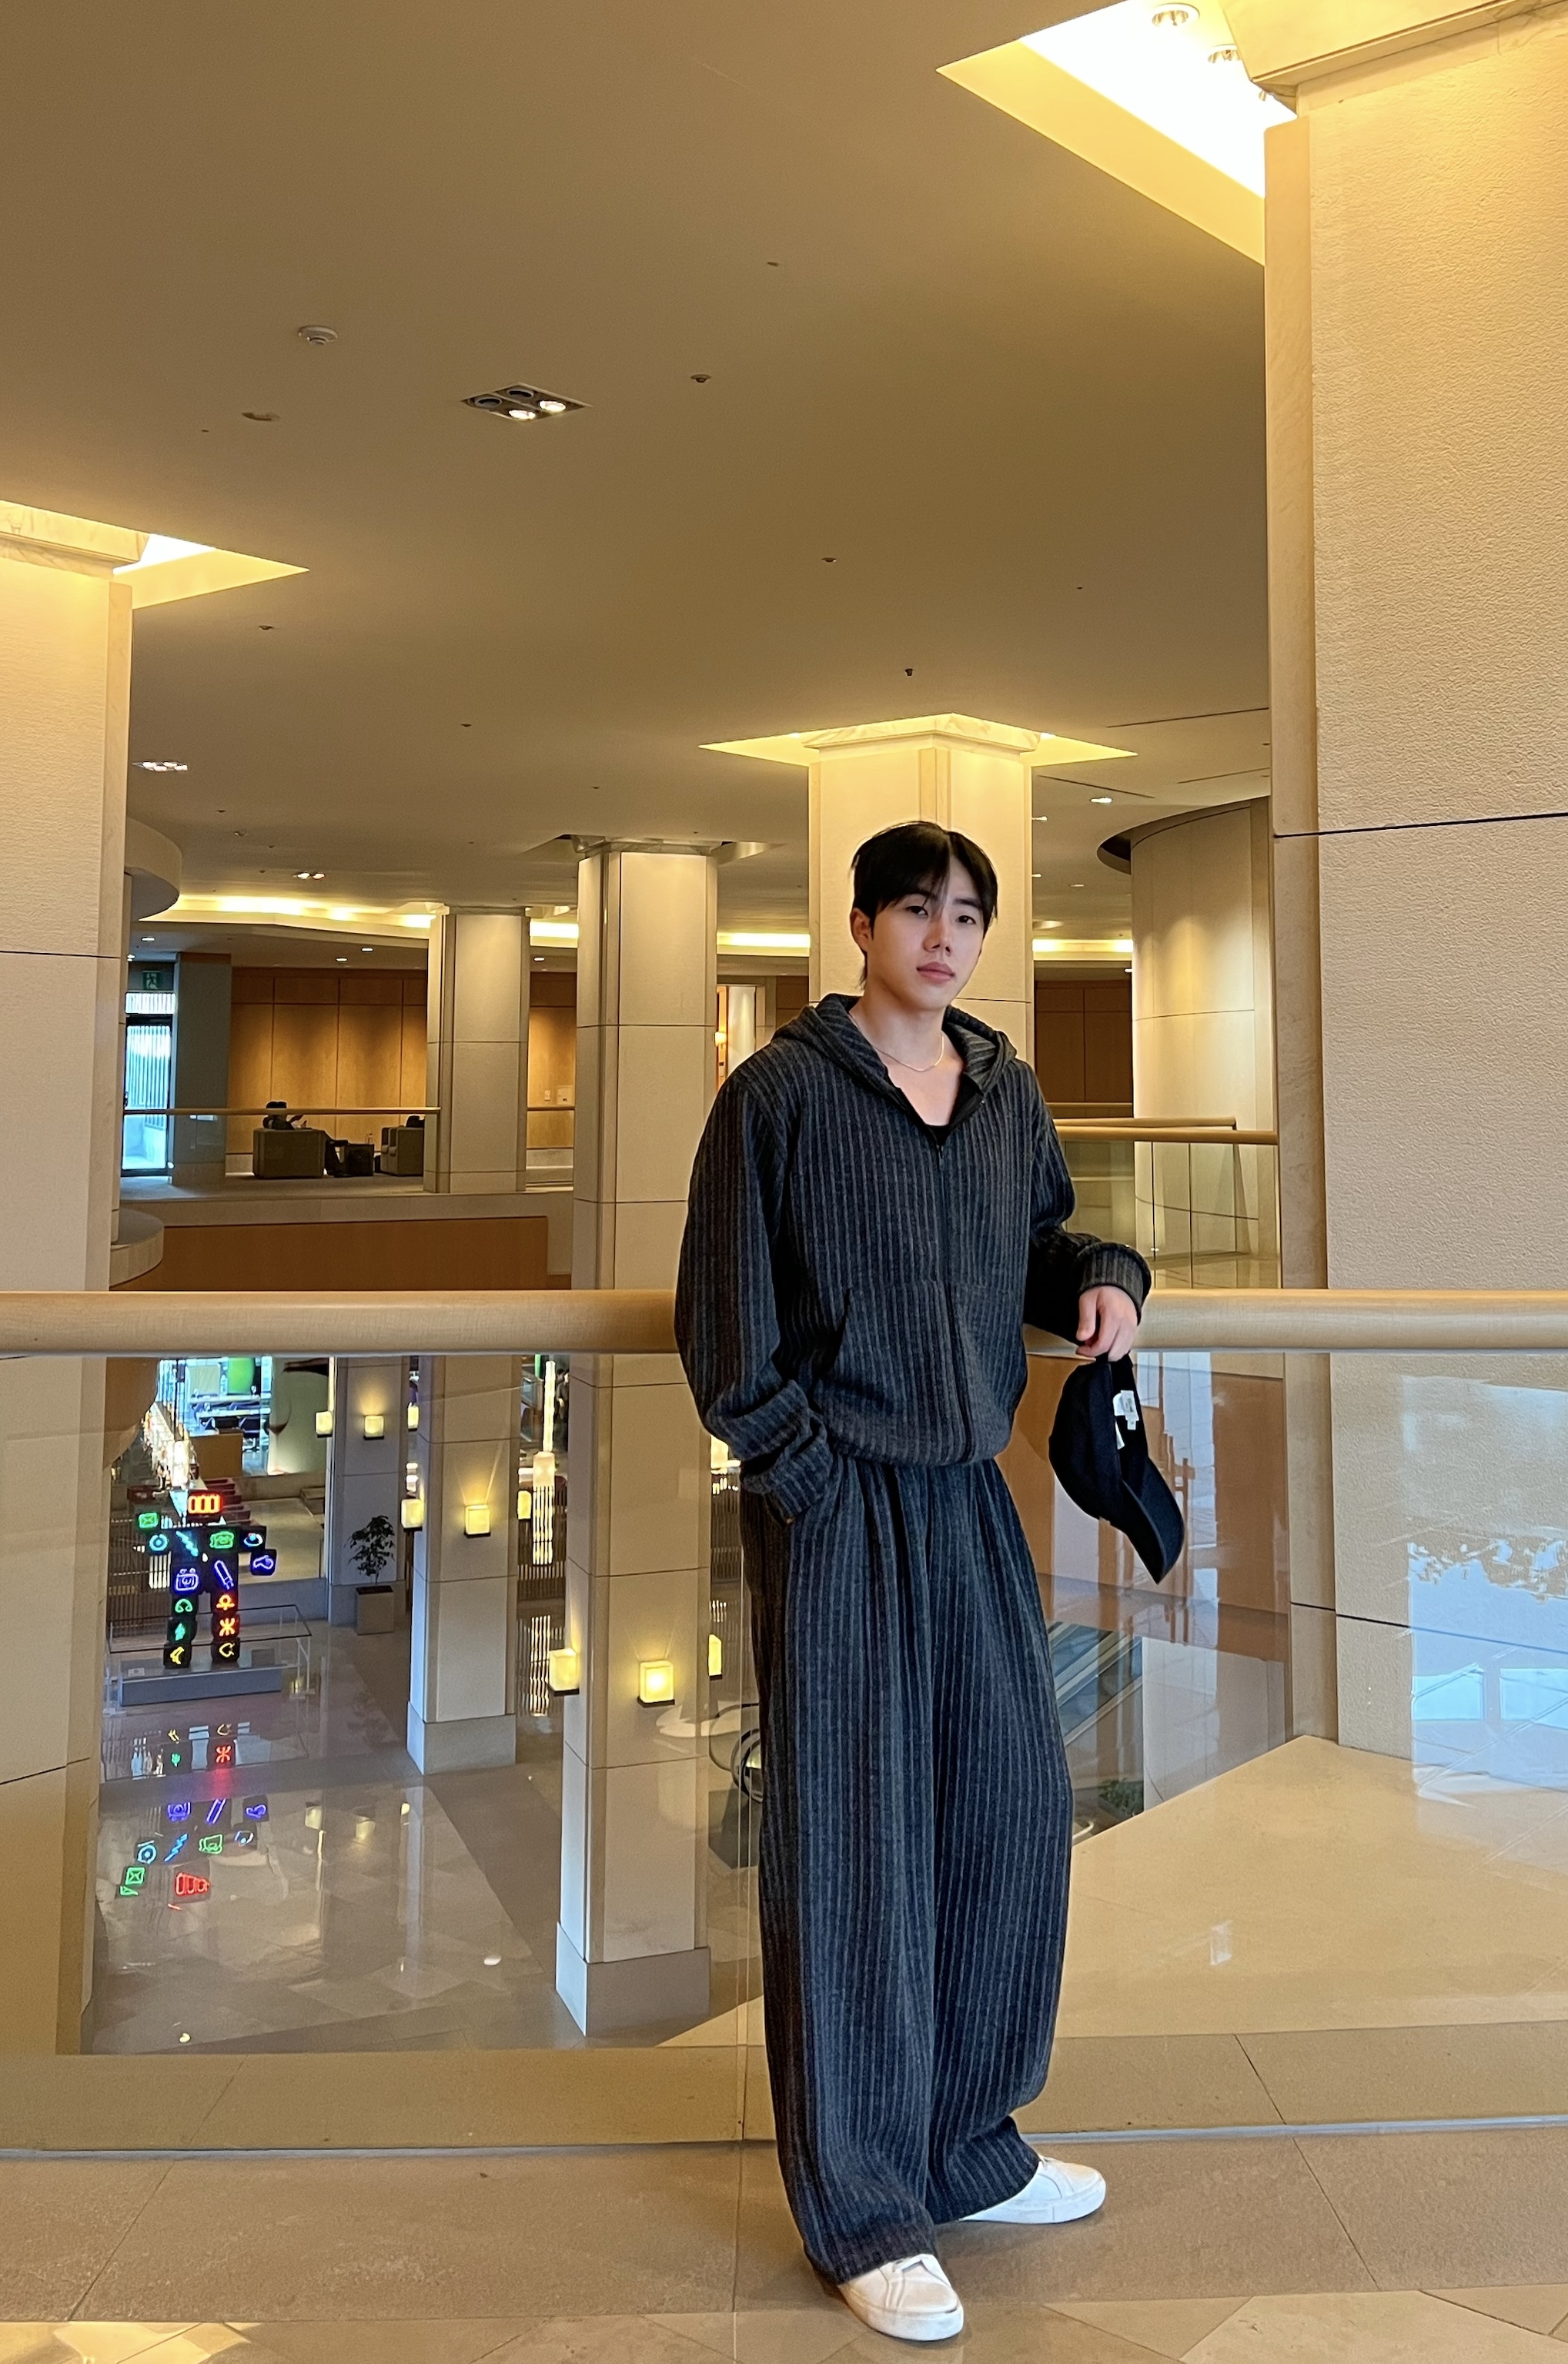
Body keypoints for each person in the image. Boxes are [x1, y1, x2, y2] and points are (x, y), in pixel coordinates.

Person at [676, 820, 1147, 2345]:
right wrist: (809, 1481)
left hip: (969, 1497)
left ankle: (968, 2145)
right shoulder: (779, 1097)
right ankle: (866, 2205)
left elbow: (1035, 1247)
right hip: (838, 1506)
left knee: (1012, 1810)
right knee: (854, 1851)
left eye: (968, 915)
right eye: (917, 911)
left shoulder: (1004, 1090)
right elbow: (725, 1329)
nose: (944, 938)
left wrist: (1108, 1276)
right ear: (864, 924)